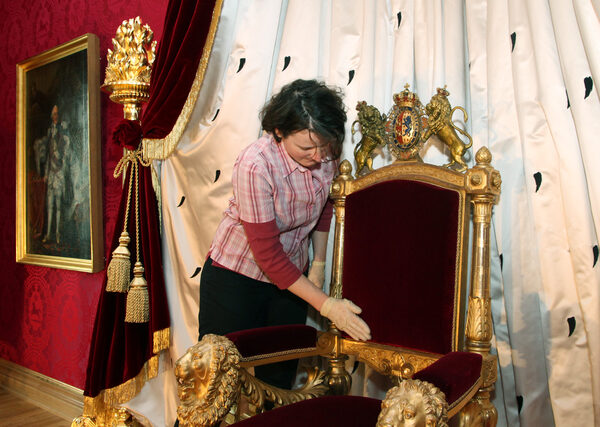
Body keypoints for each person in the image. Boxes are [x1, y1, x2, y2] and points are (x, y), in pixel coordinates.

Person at [198, 79, 371, 389]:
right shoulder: (256, 165)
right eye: (306, 147)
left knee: (278, 384)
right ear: (278, 131)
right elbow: (267, 254)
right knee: (213, 385)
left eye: (325, 146)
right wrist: (327, 305)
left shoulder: (325, 154)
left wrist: (317, 263)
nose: (319, 156)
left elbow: (323, 208)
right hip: (236, 280)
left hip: (291, 284)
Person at [41, 105, 70, 244]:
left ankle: (58, 234)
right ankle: (48, 234)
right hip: (51, 171)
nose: (55, 116)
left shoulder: (62, 130)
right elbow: (47, 154)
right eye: (53, 114)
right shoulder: (49, 131)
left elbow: (65, 152)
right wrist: (46, 173)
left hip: (59, 171)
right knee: (49, 205)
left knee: (58, 204)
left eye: (57, 113)